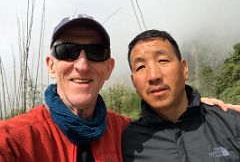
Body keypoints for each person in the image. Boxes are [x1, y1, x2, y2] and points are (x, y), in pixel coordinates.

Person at [0, 15, 238, 162]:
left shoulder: (122, 131)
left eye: (95, 52)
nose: (82, 65)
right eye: (67, 51)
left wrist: (206, 108)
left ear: (108, 68)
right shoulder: (17, 137)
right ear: (51, 65)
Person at [122, 29, 240, 161]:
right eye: (141, 67)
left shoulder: (230, 123)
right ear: (133, 83)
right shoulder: (127, 143)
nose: (153, 76)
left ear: (184, 69)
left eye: (162, 60)